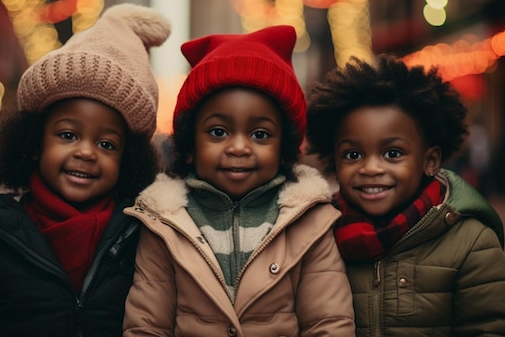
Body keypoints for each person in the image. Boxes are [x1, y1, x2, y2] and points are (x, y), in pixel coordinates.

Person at [0, 3, 170, 337]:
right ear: (34, 143)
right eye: (68, 135)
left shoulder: (143, 247)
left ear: (128, 160)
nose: (85, 152)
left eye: (107, 144)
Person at [122, 25, 355, 336]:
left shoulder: (310, 221)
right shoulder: (163, 223)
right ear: (190, 147)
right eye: (218, 132)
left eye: (260, 134)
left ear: (283, 149)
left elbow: (328, 323)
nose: (239, 147)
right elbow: (147, 326)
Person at [305, 54, 505, 336]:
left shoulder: (471, 242)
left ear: (430, 160)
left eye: (393, 153)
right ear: (334, 162)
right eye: (353, 154)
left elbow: (496, 327)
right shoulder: (319, 239)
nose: (371, 168)